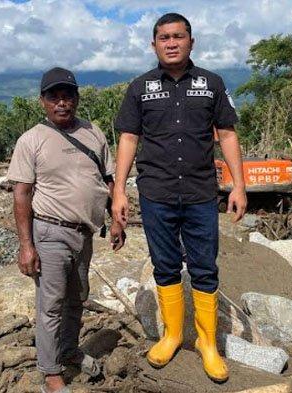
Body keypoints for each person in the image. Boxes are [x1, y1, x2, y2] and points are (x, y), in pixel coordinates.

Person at [111, 13, 247, 383]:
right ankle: (173, 334)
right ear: (153, 44)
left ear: (191, 41)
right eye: (163, 38)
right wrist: (119, 190)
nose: (171, 43)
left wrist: (239, 185)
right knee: (165, 266)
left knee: (205, 268)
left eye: (178, 36)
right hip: (156, 193)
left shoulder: (211, 84)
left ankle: (207, 343)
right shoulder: (140, 88)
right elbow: (128, 139)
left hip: (202, 193)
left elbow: (228, 134)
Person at [7, 67, 125, 393]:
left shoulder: (93, 133)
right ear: (43, 101)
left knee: (77, 299)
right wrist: (26, 246)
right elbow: (21, 194)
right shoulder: (31, 140)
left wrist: (115, 219)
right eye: (54, 96)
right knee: (52, 304)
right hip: (49, 232)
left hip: (85, 233)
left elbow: (109, 179)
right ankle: (51, 373)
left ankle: (70, 350)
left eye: (67, 95)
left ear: (76, 98)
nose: (62, 102)